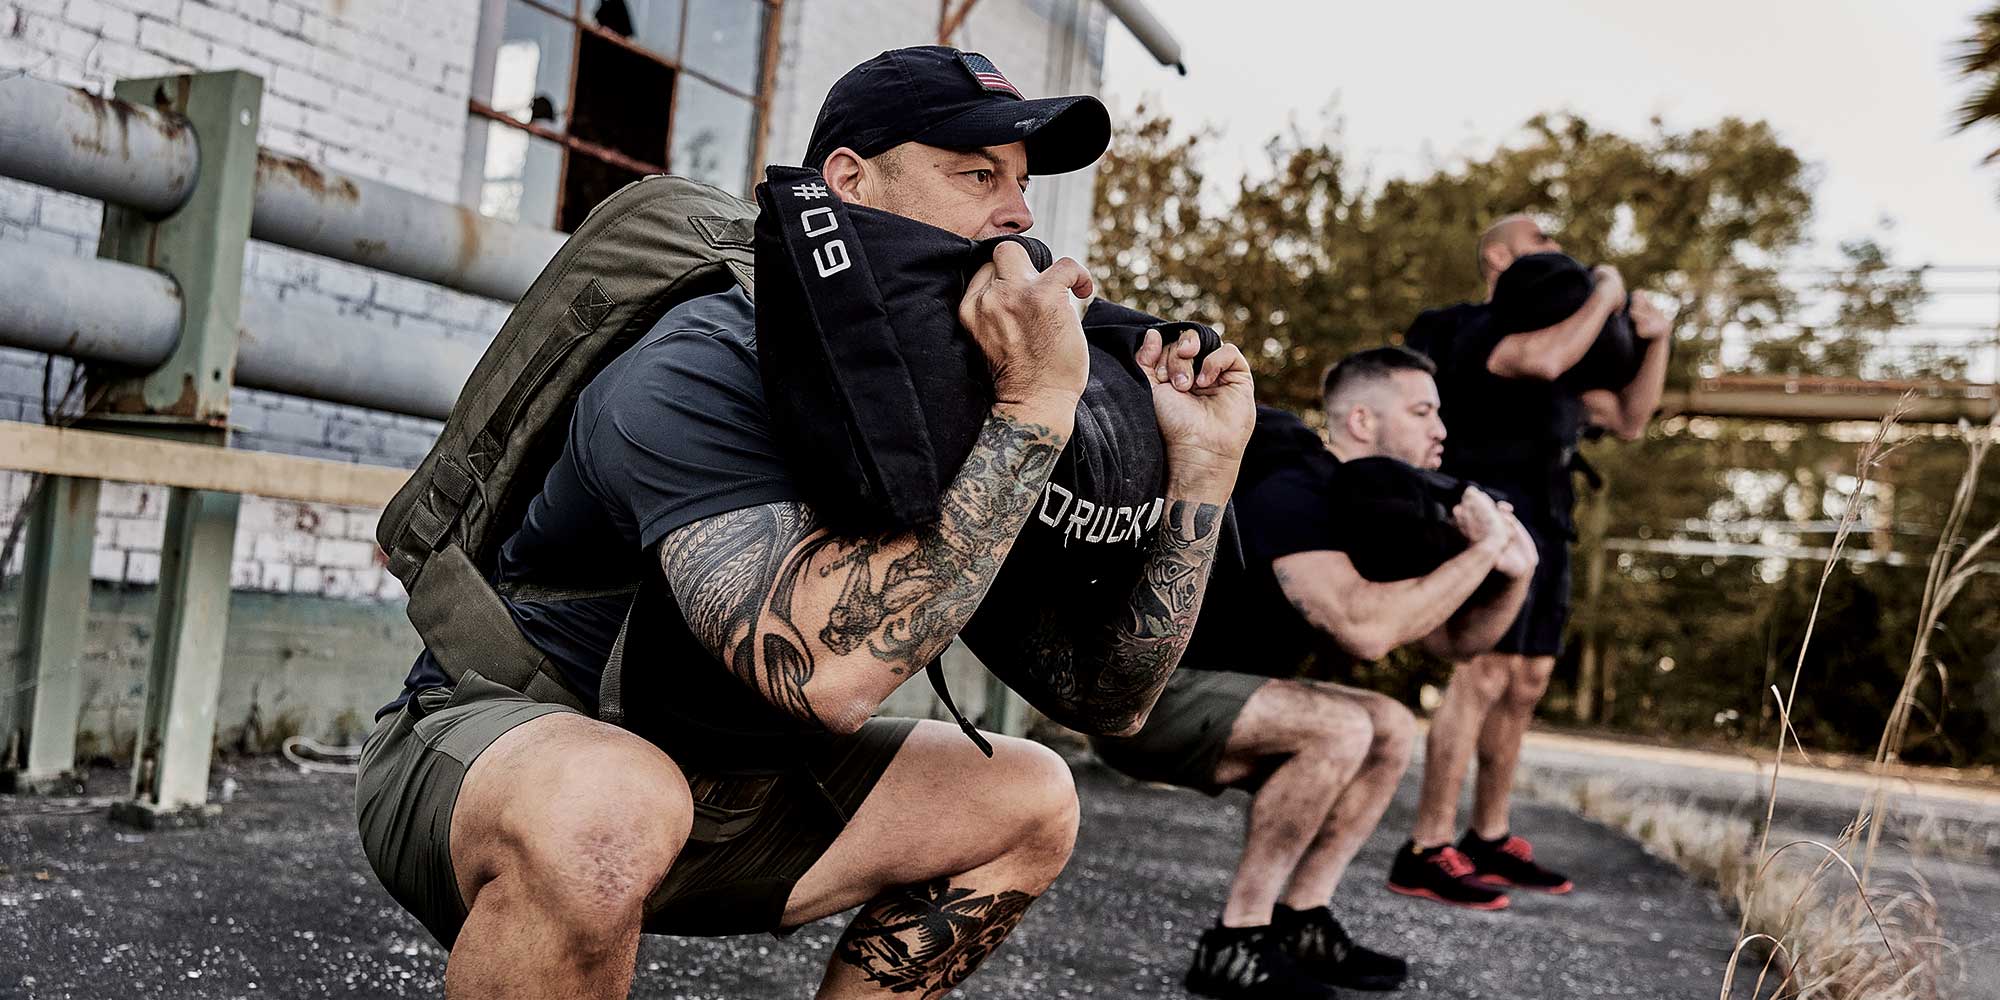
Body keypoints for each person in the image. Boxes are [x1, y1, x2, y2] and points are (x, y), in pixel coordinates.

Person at [354, 46, 1256, 1000]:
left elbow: (1107, 696)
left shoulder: (949, 402)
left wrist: (1203, 469)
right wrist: (1034, 406)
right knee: (614, 804)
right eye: (975, 174)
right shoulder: (703, 358)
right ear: (847, 181)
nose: (1019, 217)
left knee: (1029, 798)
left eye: (1023, 184)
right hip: (505, 762)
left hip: (733, 804)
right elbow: (827, 675)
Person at [1090, 347, 1537, 998]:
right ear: (1361, 420)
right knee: (1339, 728)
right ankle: (1236, 942)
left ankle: (1301, 920)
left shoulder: (1373, 508)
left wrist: (1511, 576)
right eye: (1422, 412)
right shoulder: (1294, 485)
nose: (1441, 431)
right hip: (1148, 694)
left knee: (1388, 725)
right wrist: (1486, 549)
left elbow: (1454, 642)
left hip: (1227, 696)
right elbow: (1363, 629)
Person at [1389, 214, 1670, 908]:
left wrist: (1659, 338)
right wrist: (1606, 290)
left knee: (1528, 679)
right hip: (1484, 509)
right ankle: (1426, 847)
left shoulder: (1575, 352)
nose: (1560, 252)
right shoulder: (1463, 328)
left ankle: (1488, 834)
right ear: (1499, 254)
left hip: (1550, 515)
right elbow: (1539, 359)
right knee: (1482, 675)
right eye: (1542, 241)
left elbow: (1630, 418)